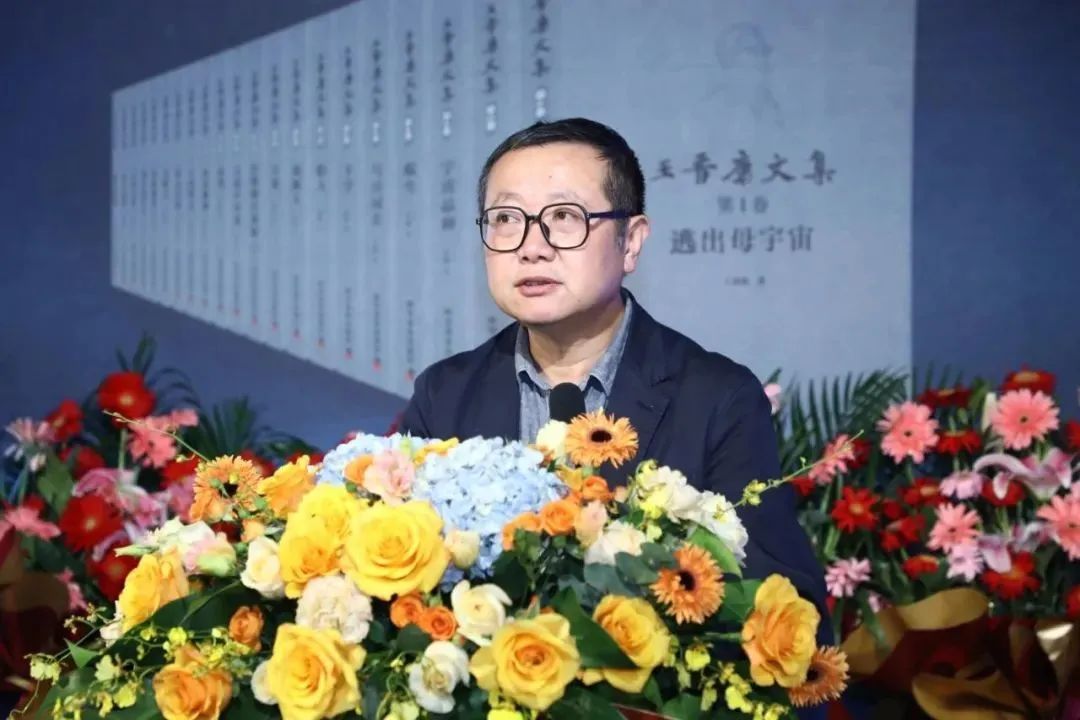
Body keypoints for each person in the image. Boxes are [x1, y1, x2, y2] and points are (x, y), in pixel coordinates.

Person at [398, 117, 829, 644]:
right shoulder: (444, 395)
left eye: (564, 216)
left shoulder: (717, 399)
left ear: (631, 241)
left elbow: (786, 610)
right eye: (506, 219)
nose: (532, 247)